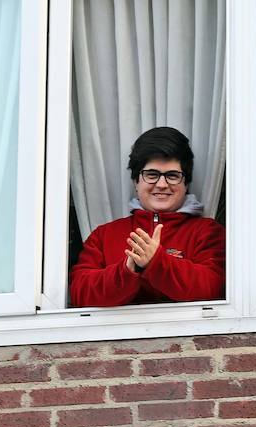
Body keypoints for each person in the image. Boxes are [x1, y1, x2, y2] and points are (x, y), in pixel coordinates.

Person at [69, 126, 225, 307]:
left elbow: (213, 287)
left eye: (172, 176)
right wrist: (127, 270)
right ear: (136, 181)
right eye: (152, 175)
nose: (161, 184)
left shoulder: (208, 232)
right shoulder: (103, 235)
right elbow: (80, 293)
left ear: (186, 183)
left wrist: (157, 263)